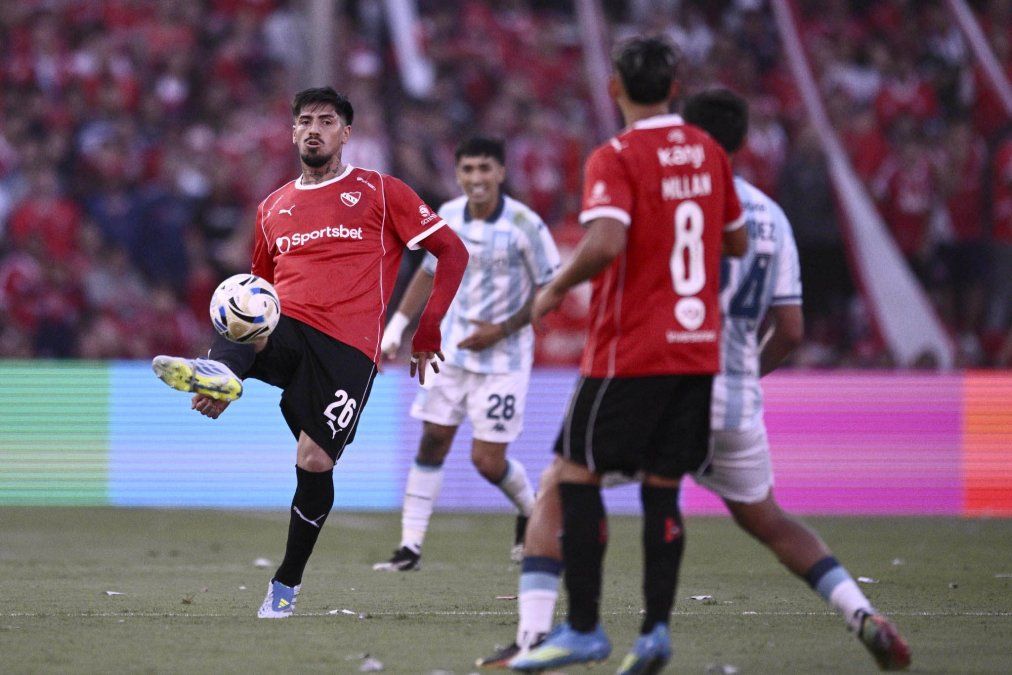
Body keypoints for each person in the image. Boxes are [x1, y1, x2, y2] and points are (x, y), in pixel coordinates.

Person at [480, 89, 911, 673]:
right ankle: (860, 612)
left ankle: (538, 639)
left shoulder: (665, 192)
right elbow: (790, 329)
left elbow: (623, 260)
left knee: (560, 486)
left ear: (694, 138)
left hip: (665, 377)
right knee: (769, 520)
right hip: (733, 399)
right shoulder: (773, 219)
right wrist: (744, 376)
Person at [151, 87, 467, 618]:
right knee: (244, 300)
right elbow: (257, 294)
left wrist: (427, 330)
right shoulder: (273, 207)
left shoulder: (381, 191)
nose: (314, 129)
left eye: (326, 120)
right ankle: (217, 373)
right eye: (304, 121)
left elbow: (451, 250)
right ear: (293, 133)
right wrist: (231, 368)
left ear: (346, 133)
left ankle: (286, 583)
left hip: (348, 349)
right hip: (291, 329)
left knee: (314, 459)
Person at [509, 37, 748, 673]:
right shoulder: (710, 152)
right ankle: (656, 633)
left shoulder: (616, 155)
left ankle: (584, 628)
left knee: (574, 472)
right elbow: (738, 241)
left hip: (630, 350)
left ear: (614, 87)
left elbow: (608, 239)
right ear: (675, 87)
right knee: (662, 490)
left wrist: (556, 286)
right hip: (697, 351)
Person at [372, 137, 561, 571]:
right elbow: (427, 272)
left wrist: (502, 329)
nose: (476, 178)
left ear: (501, 173)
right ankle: (410, 548)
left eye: (484, 169)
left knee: (486, 460)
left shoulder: (524, 224)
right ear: (458, 175)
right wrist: (398, 327)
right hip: (449, 355)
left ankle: (530, 509)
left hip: (505, 361)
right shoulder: (449, 217)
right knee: (433, 439)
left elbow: (553, 288)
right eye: (468, 170)